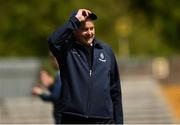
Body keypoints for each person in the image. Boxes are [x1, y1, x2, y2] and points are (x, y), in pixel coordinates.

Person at [48, 9, 123, 124]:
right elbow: (53, 41)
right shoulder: (66, 50)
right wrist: (74, 21)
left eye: (91, 28)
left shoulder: (106, 51)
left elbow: (115, 91)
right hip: (73, 118)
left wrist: (119, 123)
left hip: (104, 119)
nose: (89, 33)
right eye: (84, 29)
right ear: (74, 31)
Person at [32, 56, 62, 124]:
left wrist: (40, 93)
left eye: (52, 59)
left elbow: (55, 97)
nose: (51, 62)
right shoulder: (61, 75)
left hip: (61, 116)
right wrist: (49, 86)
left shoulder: (60, 75)